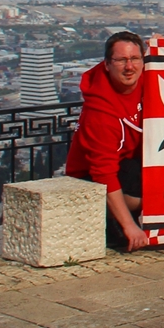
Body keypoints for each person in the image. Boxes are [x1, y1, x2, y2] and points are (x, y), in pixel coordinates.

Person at [65, 31, 149, 251]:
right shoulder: (99, 113)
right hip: (90, 179)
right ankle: (117, 218)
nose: (129, 67)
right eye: (121, 60)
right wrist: (130, 226)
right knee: (150, 190)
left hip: (129, 164)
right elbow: (103, 173)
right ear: (107, 64)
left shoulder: (147, 78)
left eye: (134, 59)